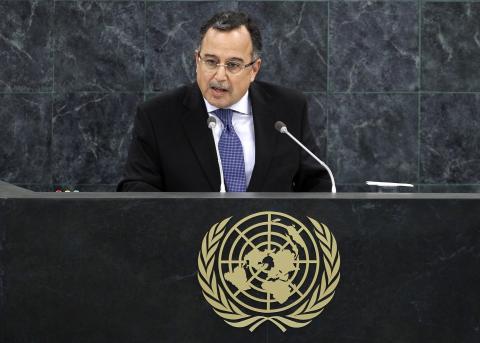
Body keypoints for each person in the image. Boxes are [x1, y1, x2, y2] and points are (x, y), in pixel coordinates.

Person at [117, 11, 331, 192]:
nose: (219, 76)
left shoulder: (288, 109)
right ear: (196, 61)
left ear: (254, 69)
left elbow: (317, 183)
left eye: (233, 65)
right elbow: (137, 191)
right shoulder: (158, 116)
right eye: (211, 62)